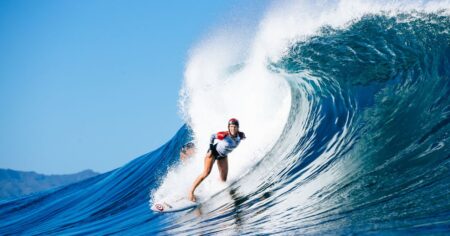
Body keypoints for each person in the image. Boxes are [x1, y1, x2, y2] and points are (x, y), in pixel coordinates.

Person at [188, 118, 246, 202]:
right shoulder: (224, 135)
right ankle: (191, 192)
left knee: (223, 180)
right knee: (206, 172)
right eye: (231, 127)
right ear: (228, 127)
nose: (232, 129)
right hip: (213, 153)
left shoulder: (240, 135)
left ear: (238, 127)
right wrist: (211, 149)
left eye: (234, 127)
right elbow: (212, 136)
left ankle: (212, 189)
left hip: (223, 156)